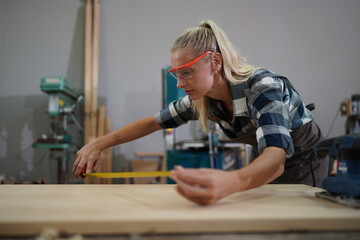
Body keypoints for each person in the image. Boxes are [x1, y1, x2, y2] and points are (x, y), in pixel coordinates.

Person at [72, 20, 328, 205]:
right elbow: (153, 122)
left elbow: (275, 157)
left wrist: (231, 182)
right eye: (176, 74)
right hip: (267, 161)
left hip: (302, 160)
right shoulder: (204, 99)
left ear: (215, 62)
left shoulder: (262, 87)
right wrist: (98, 144)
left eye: (187, 72)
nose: (180, 83)